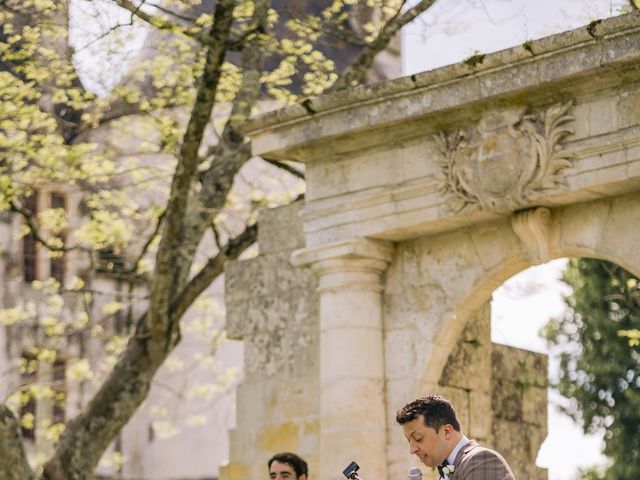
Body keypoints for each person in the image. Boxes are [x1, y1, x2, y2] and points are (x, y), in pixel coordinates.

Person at [396, 394, 515, 480]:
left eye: (418, 438)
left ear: (446, 431)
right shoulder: (450, 468)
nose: (412, 450)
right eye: (409, 441)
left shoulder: (482, 460)